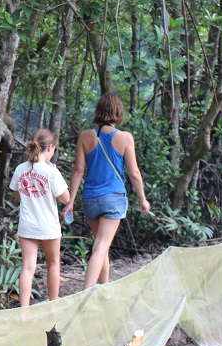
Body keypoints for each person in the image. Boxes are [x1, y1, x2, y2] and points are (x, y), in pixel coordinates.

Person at [62, 93, 150, 290]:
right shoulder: (125, 138)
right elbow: (134, 172)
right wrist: (143, 199)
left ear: (99, 111)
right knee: (101, 245)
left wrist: (71, 202)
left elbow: (78, 171)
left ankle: (105, 290)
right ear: (118, 112)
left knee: (102, 246)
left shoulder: (85, 136)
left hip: (91, 199)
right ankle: (85, 293)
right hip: (113, 198)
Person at [9, 129, 70, 306]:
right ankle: (53, 305)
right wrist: (57, 172)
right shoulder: (51, 172)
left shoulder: (21, 169)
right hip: (48, 226)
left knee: (28, 267)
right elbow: (65, 198)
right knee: (53, 264)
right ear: (50, 147)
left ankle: (24, 311)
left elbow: (18, 197)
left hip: (27, 225)